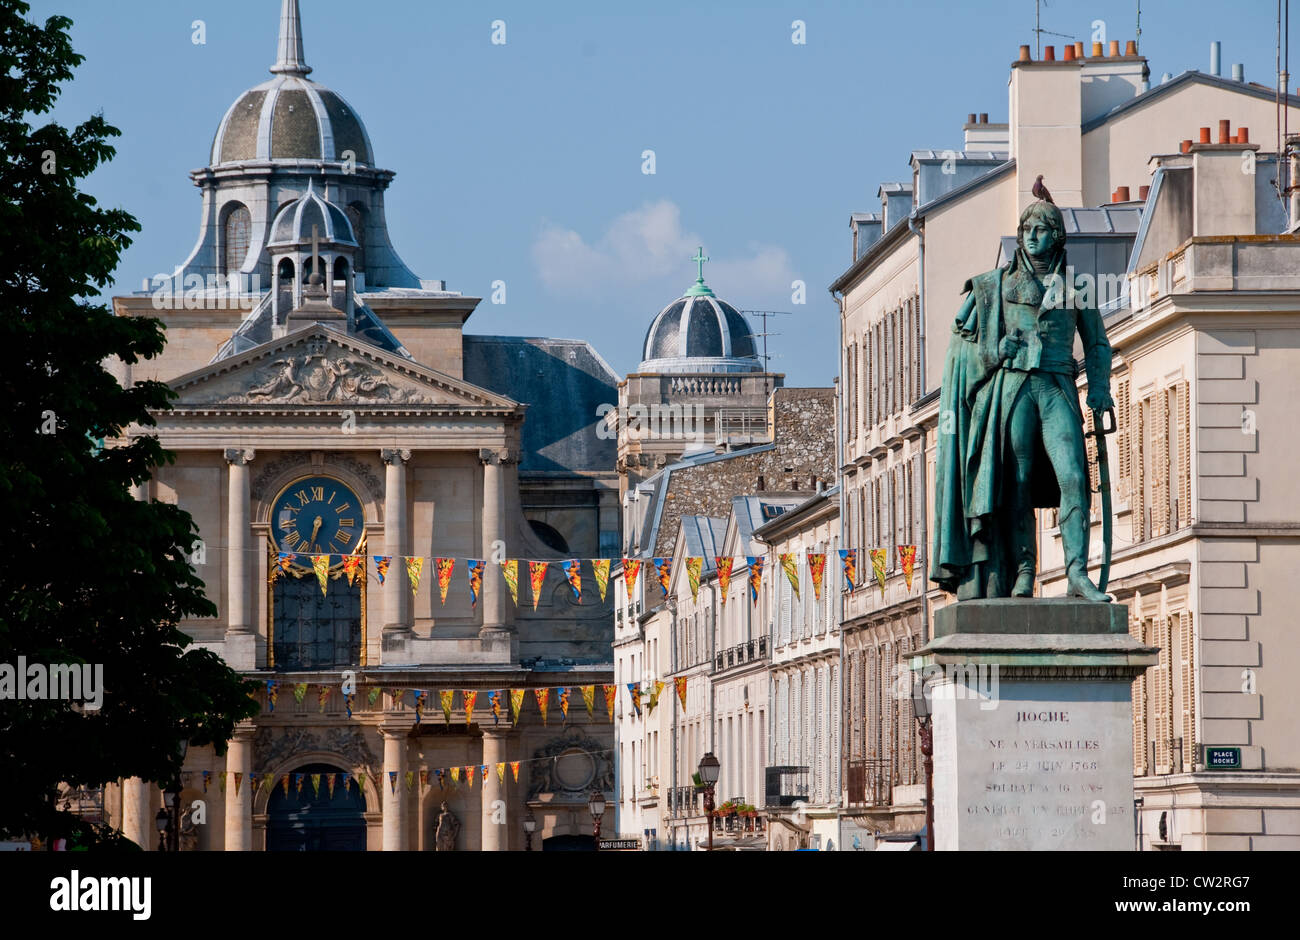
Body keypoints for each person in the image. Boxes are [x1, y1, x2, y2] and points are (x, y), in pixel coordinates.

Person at [930, 196, 1113, 601]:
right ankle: (1024, 571)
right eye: (1027, 229)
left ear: (1057, 236)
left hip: (1056, 387)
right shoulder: (995, 286)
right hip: (1012, 390)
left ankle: (1077, 573)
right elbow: (970, 353)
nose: (1032, 236)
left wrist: (1099, 387)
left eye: (1041, 229)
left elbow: (1098, 344)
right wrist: (1000, 351)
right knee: (1017, 484)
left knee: (1074, 477)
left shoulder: (1077, 287)